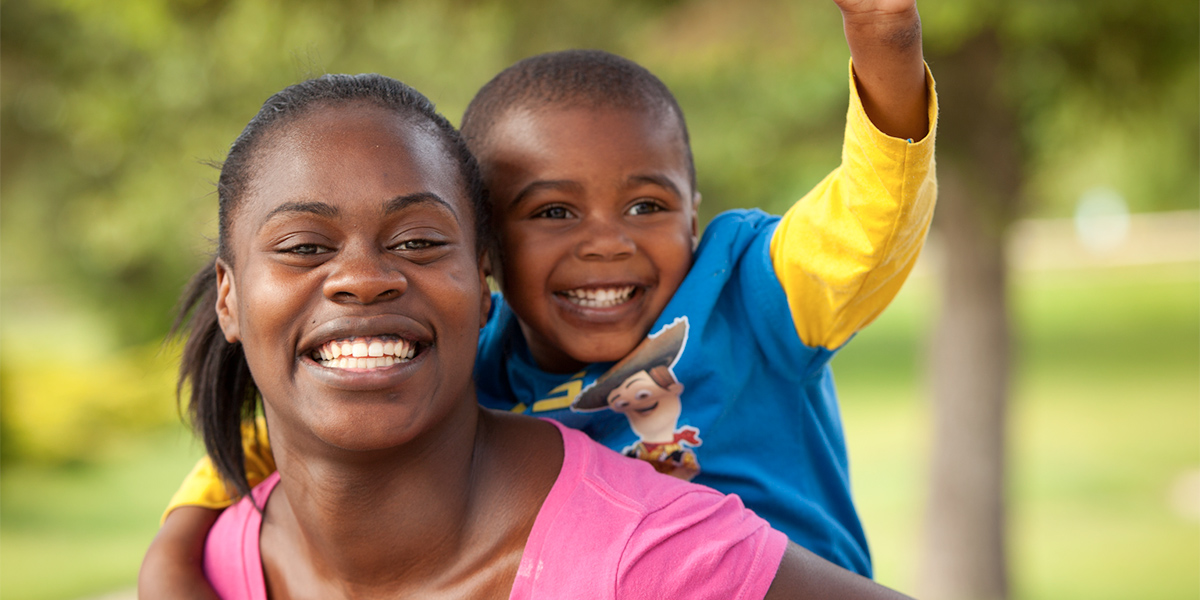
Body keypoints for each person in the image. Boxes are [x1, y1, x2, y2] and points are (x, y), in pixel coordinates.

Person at [142, 0, 937, 591]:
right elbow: (271, 437)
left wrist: (885, 38)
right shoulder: (473, 364)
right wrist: (174, 557)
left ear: (695, 211)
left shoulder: (750, 294)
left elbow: (870, 215)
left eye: (647, 206)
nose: (605, 240)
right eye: (554, 212)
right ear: (492, 260)